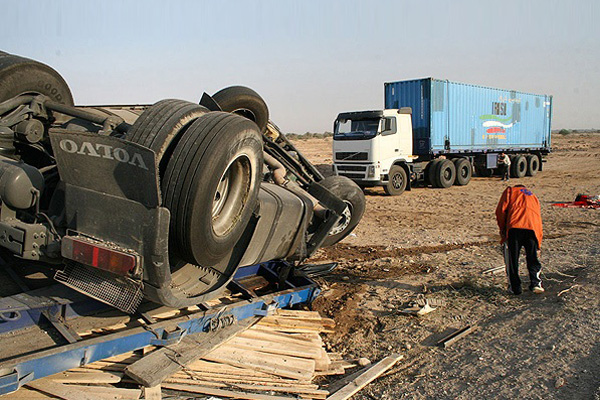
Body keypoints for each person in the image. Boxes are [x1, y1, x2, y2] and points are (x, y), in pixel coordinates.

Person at [495, 185, 544, 295]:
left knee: (512, 259)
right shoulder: (533, 196)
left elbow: (500, 211)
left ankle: (515, 287)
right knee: (532, 256)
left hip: (515, 227)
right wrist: (538, 244)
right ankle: (536, 283)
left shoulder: (510, 191)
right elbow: (538, 218)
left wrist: (502, 230)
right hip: (533, 228)